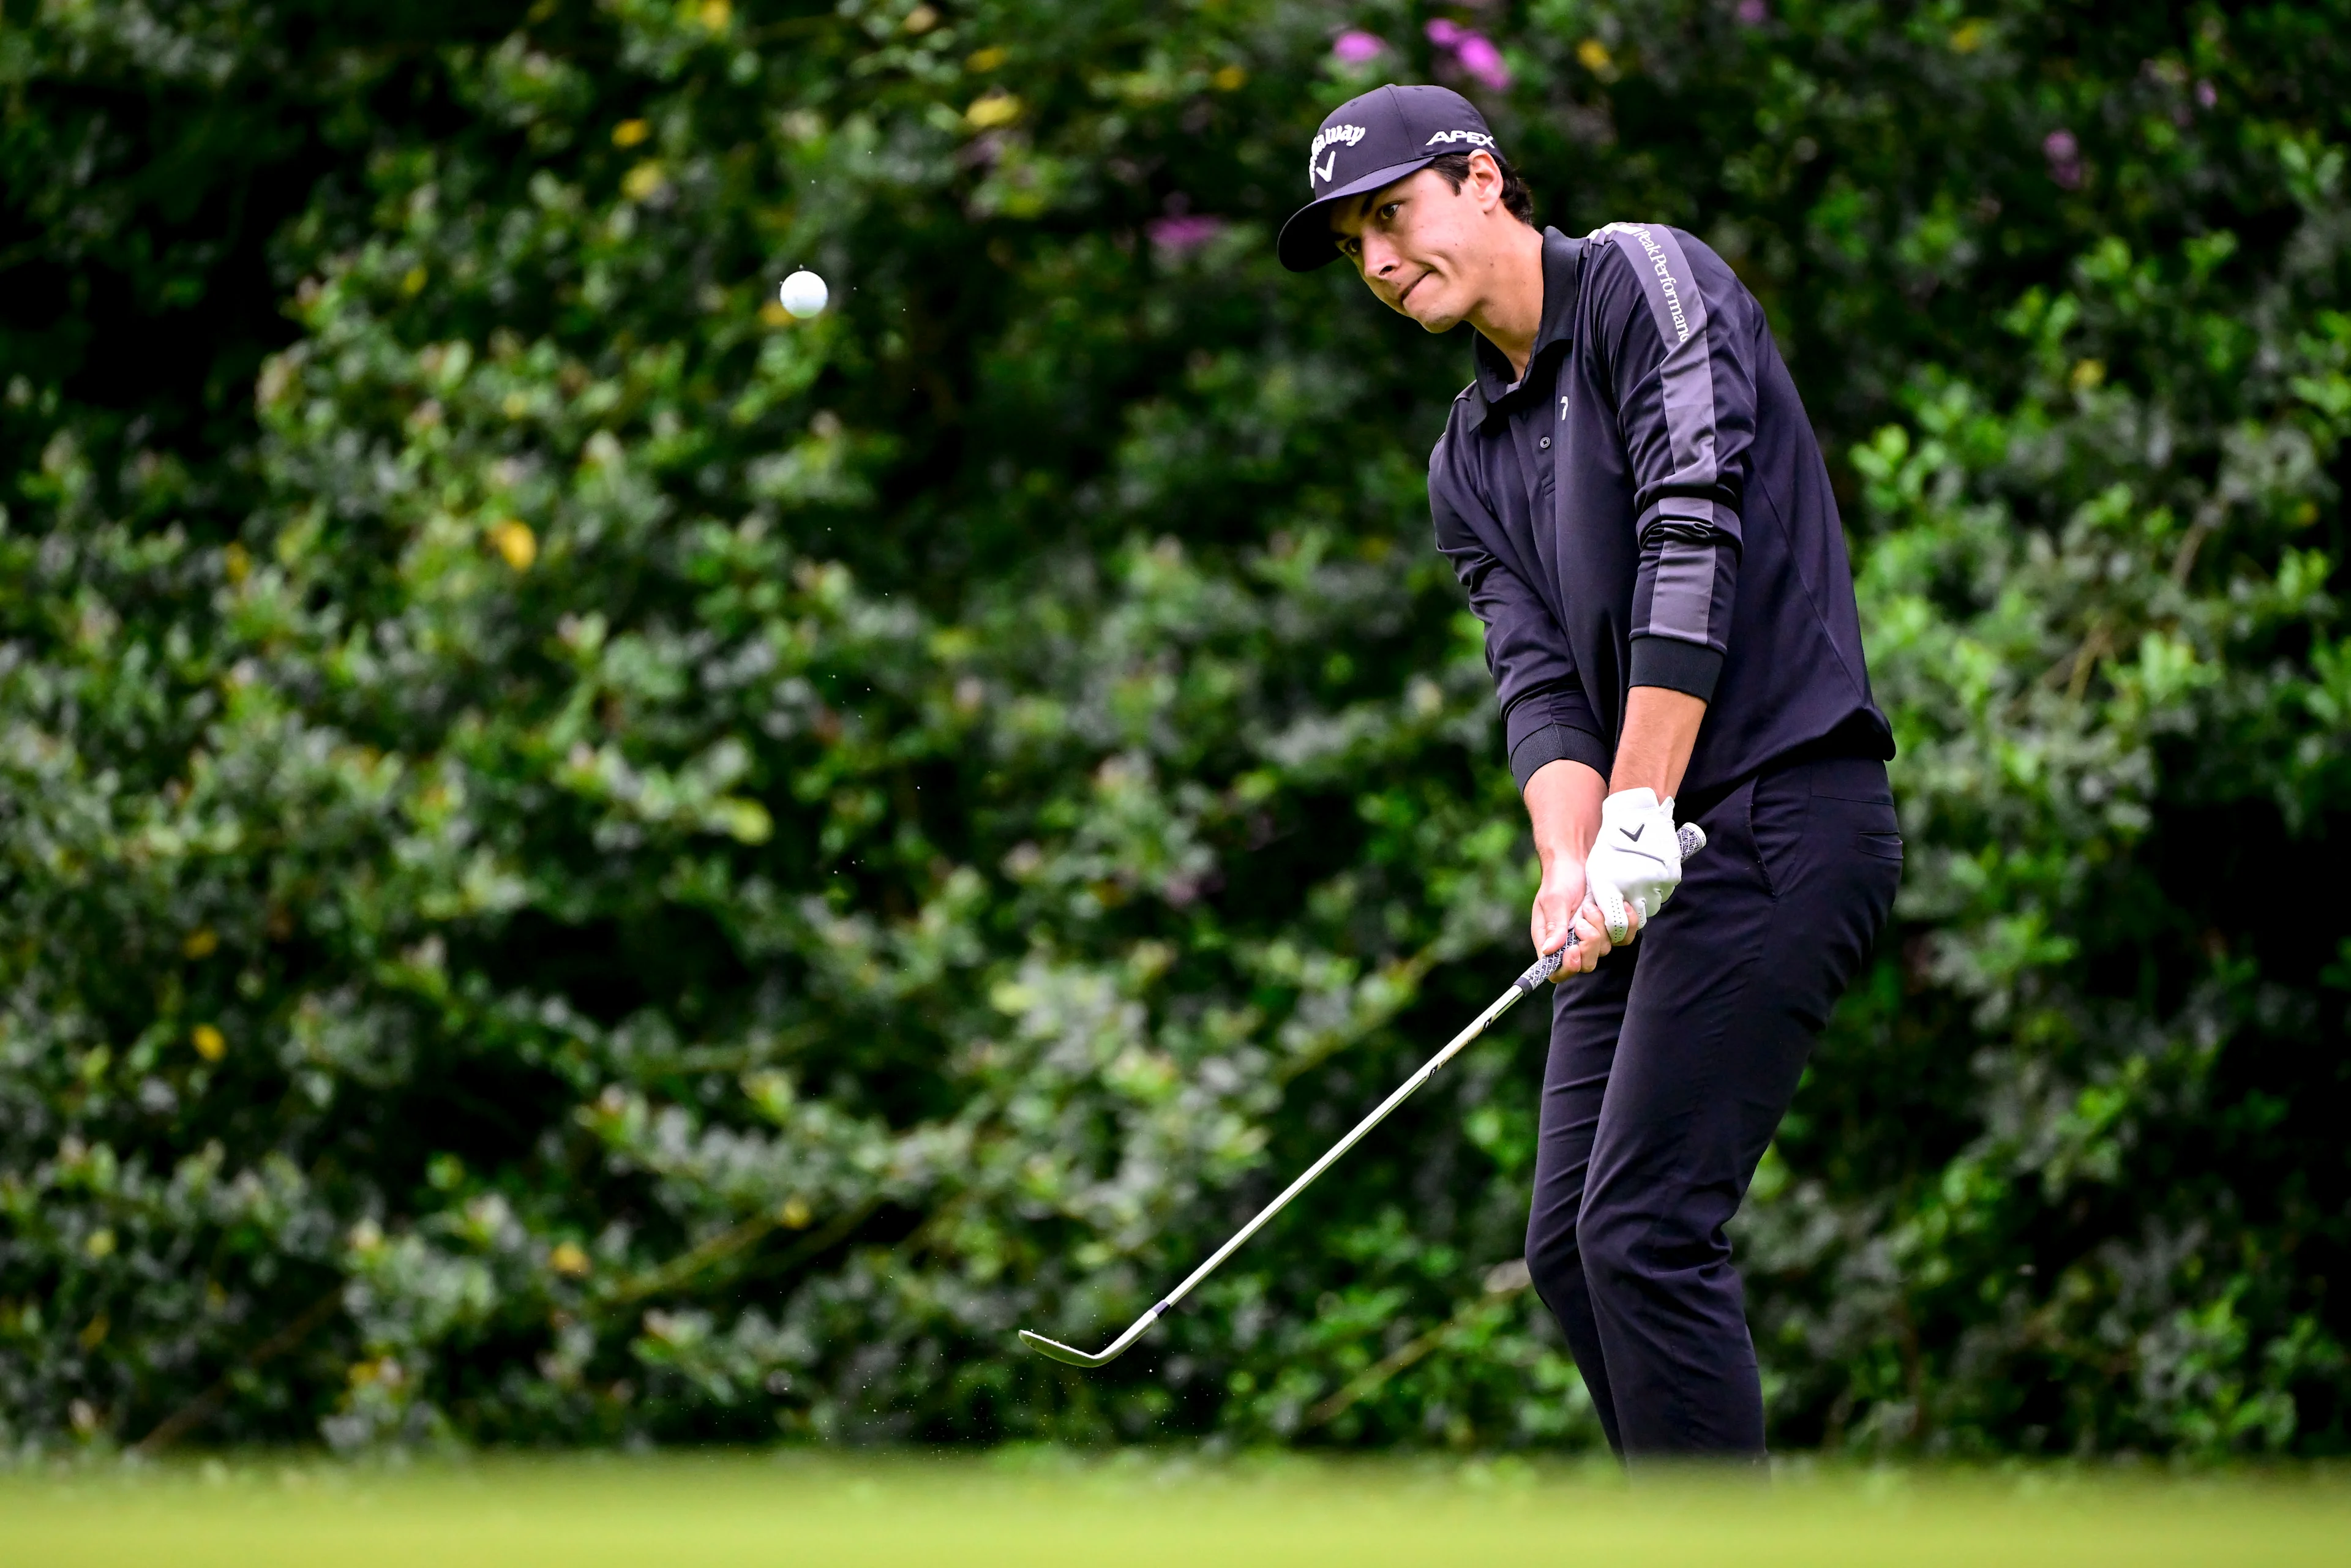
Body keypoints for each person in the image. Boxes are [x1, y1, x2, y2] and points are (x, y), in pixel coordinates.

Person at [1278, 83, 1903, 1461]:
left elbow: (1697, 529)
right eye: (1352, 245)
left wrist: (1636, 807)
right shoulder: (1467, 459)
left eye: (1393, 216)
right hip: (1650, 841)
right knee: (1570, 1244)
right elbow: (1540, 682)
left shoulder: (1644, 282)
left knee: (1643, 1228)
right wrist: (1572, 858)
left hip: (1784, 810)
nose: (1378, 263)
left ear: (1483, 178)